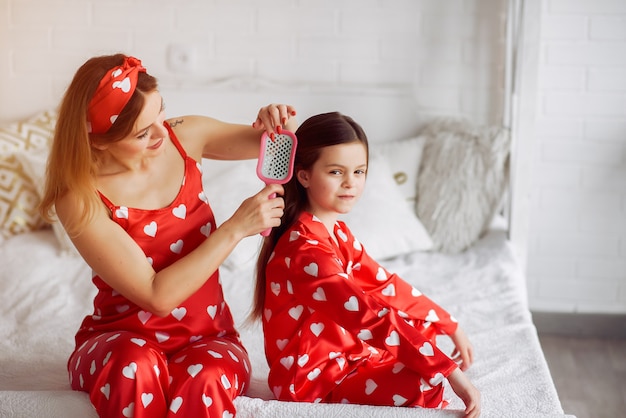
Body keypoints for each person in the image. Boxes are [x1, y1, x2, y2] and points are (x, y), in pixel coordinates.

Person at [39, 53, 297, 418]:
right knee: (135, 366)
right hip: (119, 342)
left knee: (205, 379)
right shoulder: (79, 198)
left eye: (161, 111)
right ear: (98, 142)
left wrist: (276, 124)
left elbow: (273, 145)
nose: (164, 131)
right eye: (143, 133)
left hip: (209, 338)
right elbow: (156, 297)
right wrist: (236, 228)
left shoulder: (184, 136)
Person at [252, 112, 481, 417]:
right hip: (313, 383)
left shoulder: (336, 231)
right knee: (427, 379)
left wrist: (447, 323)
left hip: (348, 355)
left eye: (359, 171)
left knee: (423, 328)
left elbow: (384, 285)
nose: (351, 183)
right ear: (304, 175)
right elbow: (369, 316)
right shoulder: (305, 252)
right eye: (336, 172)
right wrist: (450, 371)